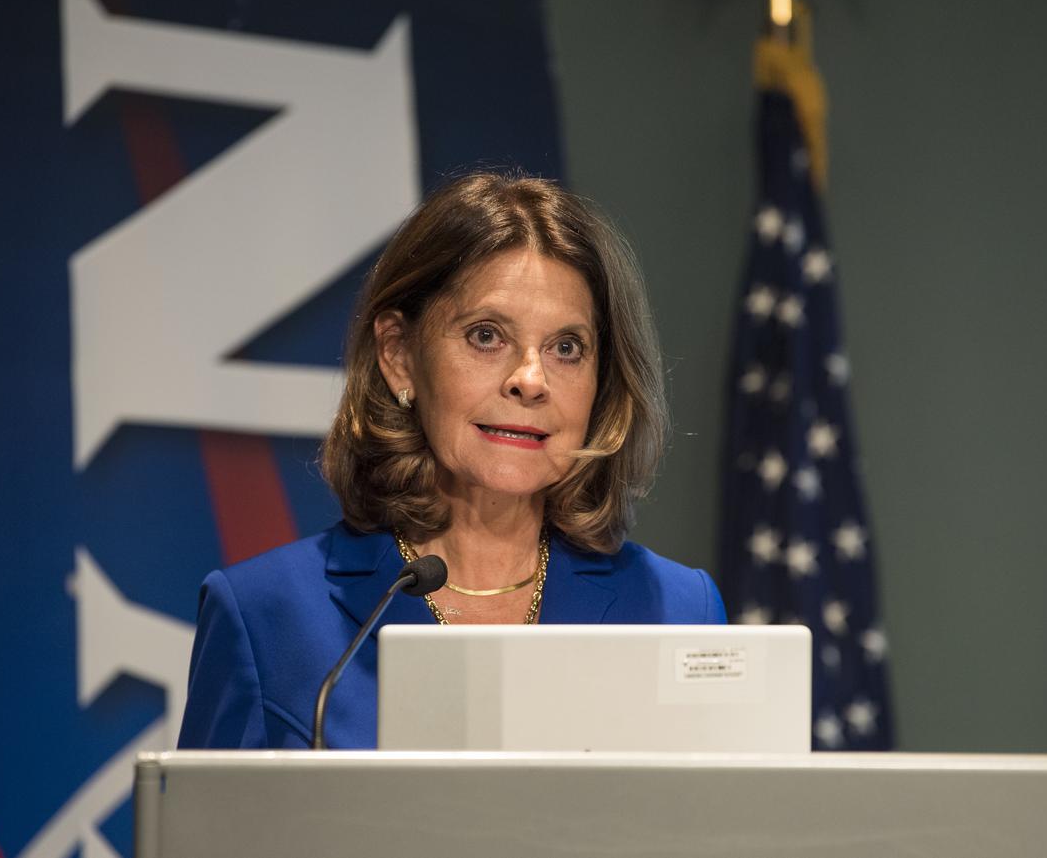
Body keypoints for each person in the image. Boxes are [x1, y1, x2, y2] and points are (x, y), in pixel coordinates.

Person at [178, 172, 726, 750]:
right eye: (486, 336)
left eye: (567, 348)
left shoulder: (679, 611)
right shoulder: (265, 617)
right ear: (399, 356)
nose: (531, 380)